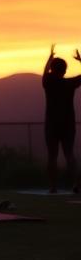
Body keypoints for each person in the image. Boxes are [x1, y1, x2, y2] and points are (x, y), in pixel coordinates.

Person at [41, 45, 81, 193]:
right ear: (64, 70)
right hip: (68, 124)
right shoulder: (69, 84)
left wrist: (49, 58)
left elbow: (45, 72)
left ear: (52, 69)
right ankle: (77, 184)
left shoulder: (48, 82)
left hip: (52, 124)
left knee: (52, 155)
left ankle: (53, 187)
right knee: (69, 154)